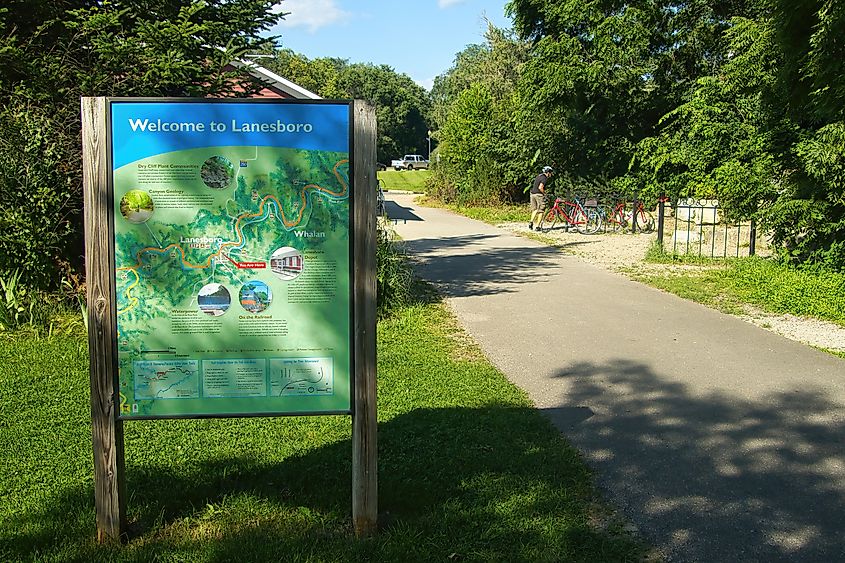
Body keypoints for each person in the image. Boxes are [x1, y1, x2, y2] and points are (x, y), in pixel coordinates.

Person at [529, 166, 554, 231]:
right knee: (541, 210)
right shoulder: (544, 178)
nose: (551, 174)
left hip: (532, 194)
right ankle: (537, 227)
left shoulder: (539, 176)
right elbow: (540, 187)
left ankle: (531, 222)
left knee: (534, 209)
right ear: (548, 172)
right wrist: (545, 194)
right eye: (551, 173)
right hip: (538, 195)